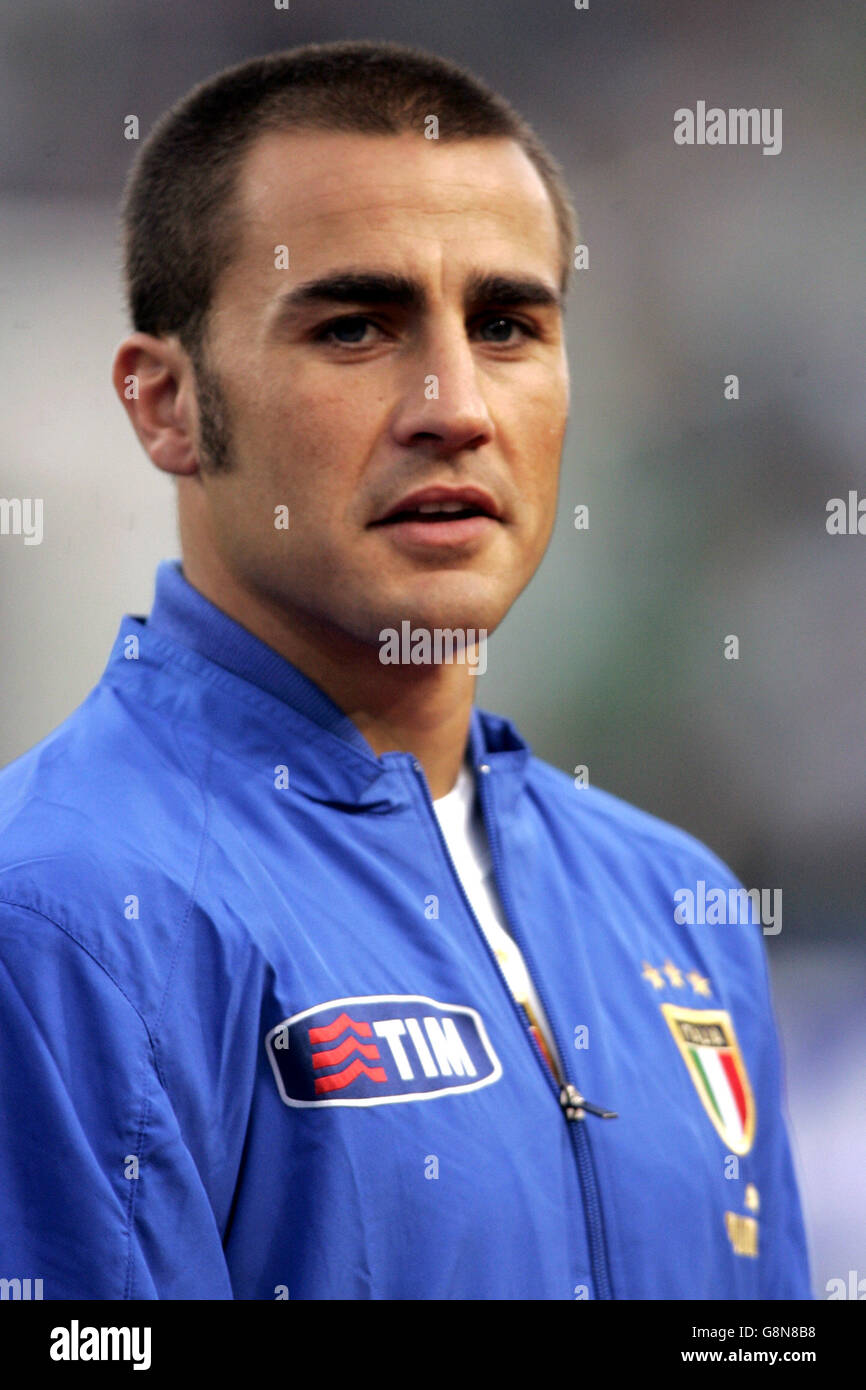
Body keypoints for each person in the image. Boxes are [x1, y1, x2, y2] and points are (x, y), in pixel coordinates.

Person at [0, 40, 810, 1300]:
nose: (454, 404)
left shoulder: (678, 905)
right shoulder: (59, 915)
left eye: (504, 325)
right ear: (165, 405)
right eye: (354, 325)